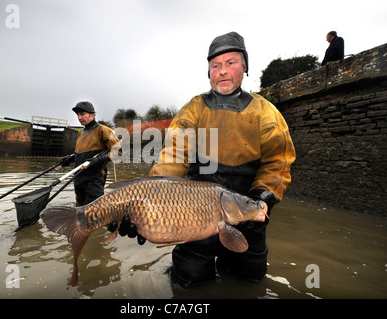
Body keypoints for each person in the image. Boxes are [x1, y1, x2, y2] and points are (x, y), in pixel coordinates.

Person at [112, 31, 296, 288]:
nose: (222, 71)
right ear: (208, 71)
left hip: (247, 212)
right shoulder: (194, 109)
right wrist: (145, 202)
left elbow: (278, 162)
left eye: (230, 63)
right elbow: (172, 158)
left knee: (249, 283)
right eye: (215, 65)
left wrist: (263, 200)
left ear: (245, 66)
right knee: (189, 284)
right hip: (194, 216)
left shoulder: (266, 112)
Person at [61, 101, 121, 206]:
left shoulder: (103, 130)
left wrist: (100, 159)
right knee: (79, 209)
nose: (79, 117)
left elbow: (118, 152)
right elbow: (83, 154)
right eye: (78, 115)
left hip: (94, 180)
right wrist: (71, 158)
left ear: (92, 115)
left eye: (82, 114)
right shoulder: (80, 132)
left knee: (92, 211)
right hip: (79, 179)